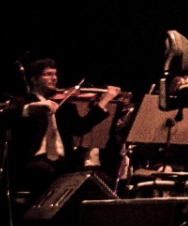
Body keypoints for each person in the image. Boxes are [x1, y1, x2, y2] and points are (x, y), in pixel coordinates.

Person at [10, 60, 120, 203]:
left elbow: (81, 127)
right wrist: (33, 107)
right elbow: (12, 114)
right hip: (33, 161)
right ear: (34, 79)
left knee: (102, 179)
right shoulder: (22, 103)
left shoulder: (65, 106)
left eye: (55, 74)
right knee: (44, 171)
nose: (54, 78)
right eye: (48, 74)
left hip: (64, 162)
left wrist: (104, 101)